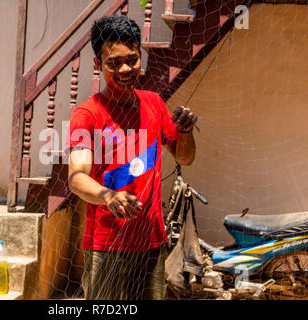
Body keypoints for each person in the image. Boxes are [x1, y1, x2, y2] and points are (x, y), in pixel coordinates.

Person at [65, 15, 198, 300]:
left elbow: (185, 158)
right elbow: (77, 178)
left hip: (151, 244)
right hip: (106, 245)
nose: (125, 69)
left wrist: (185, 132)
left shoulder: (154, 103)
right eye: (114, 63)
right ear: (98, 65)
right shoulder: (88, 115)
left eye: (132, 59)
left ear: (140, 57)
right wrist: (108, 196)